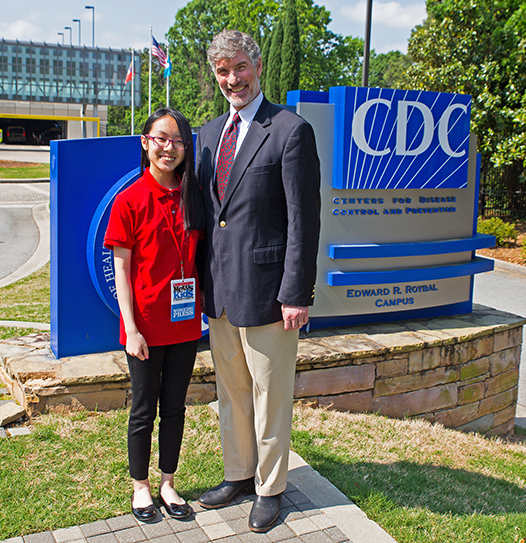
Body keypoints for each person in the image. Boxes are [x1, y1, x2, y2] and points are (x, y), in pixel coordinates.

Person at [195, 30, 321, 533]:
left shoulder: (290, 130)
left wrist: (296, 292)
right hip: (221, 292)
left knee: (271, 397)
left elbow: (303, 219)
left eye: (240, 68)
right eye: (223, 71)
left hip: (270, 294)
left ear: (258, 66)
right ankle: (239, 474)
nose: (232, 79)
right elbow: (209, 216)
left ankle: (270, 488)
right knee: (232, 393)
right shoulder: (207, 134)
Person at [104, 108, 205, 523]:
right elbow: (122, 269)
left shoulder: (193, 195)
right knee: (144, 409)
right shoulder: (129, 200)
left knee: (176, 406)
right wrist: (130, 327)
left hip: (184, 323)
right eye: (161, 138)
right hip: (144, 326)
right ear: (145, 143)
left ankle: (167, 482)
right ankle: (141, 487)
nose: (170, 147)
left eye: (178, 140)